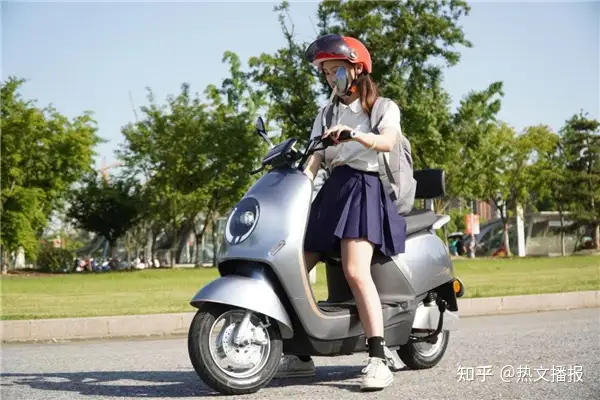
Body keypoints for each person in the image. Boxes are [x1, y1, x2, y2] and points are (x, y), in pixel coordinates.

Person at [274, 34, 408, 391]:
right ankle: (299, 352)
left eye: (335, 70)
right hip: (333, 191)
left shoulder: (383, 108)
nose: (330, 78)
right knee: (293, 267)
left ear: (356, 69)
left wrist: (355, 135)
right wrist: (298, 184)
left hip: (364, 189)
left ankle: (378, 358)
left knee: (354, 271)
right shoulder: (326, 113)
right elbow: (316, 157)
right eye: (326, 72)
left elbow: (387, 141)